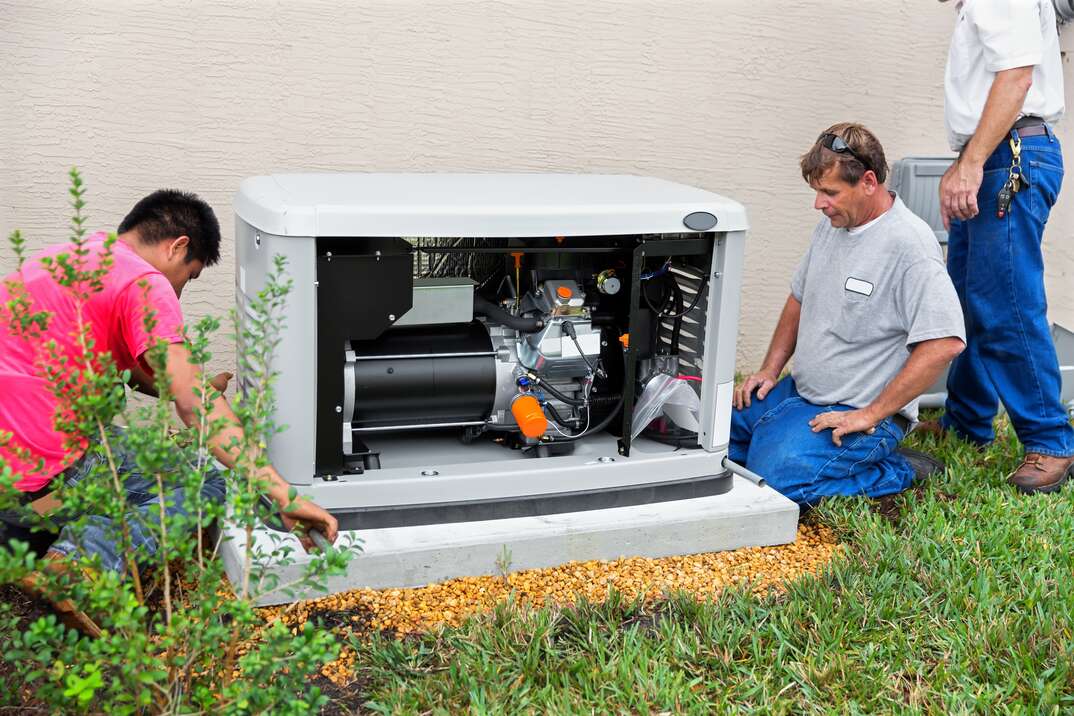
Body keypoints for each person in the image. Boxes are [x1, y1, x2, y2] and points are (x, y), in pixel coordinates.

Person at [0, 189, 338, 581]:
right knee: (208, 483)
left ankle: (33, 530)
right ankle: (79, 562)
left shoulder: (71, 258)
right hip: (36, 472)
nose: (178, 290)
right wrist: (283, 492)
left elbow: (146, 371)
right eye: (189, 276)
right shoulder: (144, 282)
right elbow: (195, 407)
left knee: (107, 396)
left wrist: (192, 384)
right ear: (178, 247)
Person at [732, 123, 966, 508]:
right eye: (818, 192)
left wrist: (870, 414)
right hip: (798, 393)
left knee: (775, 483)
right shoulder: (833, 225)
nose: (819, 204)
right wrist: (770, 370)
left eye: (830, 192)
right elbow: (798, 298)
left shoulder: (909, 246)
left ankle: (898, 469)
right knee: (712, 439)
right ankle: (782, 437)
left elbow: (945, 343)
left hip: (858, 412)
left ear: (869, 182)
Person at [928, 0, 1073, 494]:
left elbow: (1016, 78)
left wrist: (969, 165)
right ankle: (968, 421)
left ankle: (1050, 440)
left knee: (1005, 303)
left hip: (1008, 157)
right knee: (968, 299)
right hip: (997, 155)